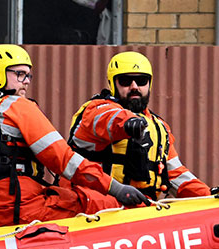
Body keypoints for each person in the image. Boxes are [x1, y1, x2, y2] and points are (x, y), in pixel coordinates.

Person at [0, 44, 146, 230]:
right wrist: (116, 188)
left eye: (28, 76)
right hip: (16, 206)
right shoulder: (16, 105)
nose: (26, 82)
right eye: (19, 74)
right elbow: (63, 159)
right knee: (96, 202)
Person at [68, 51, 210, 200]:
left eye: (141, 80)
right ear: (112, 83)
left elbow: (177, 175)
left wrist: (210, 195)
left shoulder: (159, 127)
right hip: (94, 206)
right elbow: (109, 118)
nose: (134, 86)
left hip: (142, 207)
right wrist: (129, 122)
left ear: (149, 83)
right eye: (125, 81)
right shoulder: (96, 110)